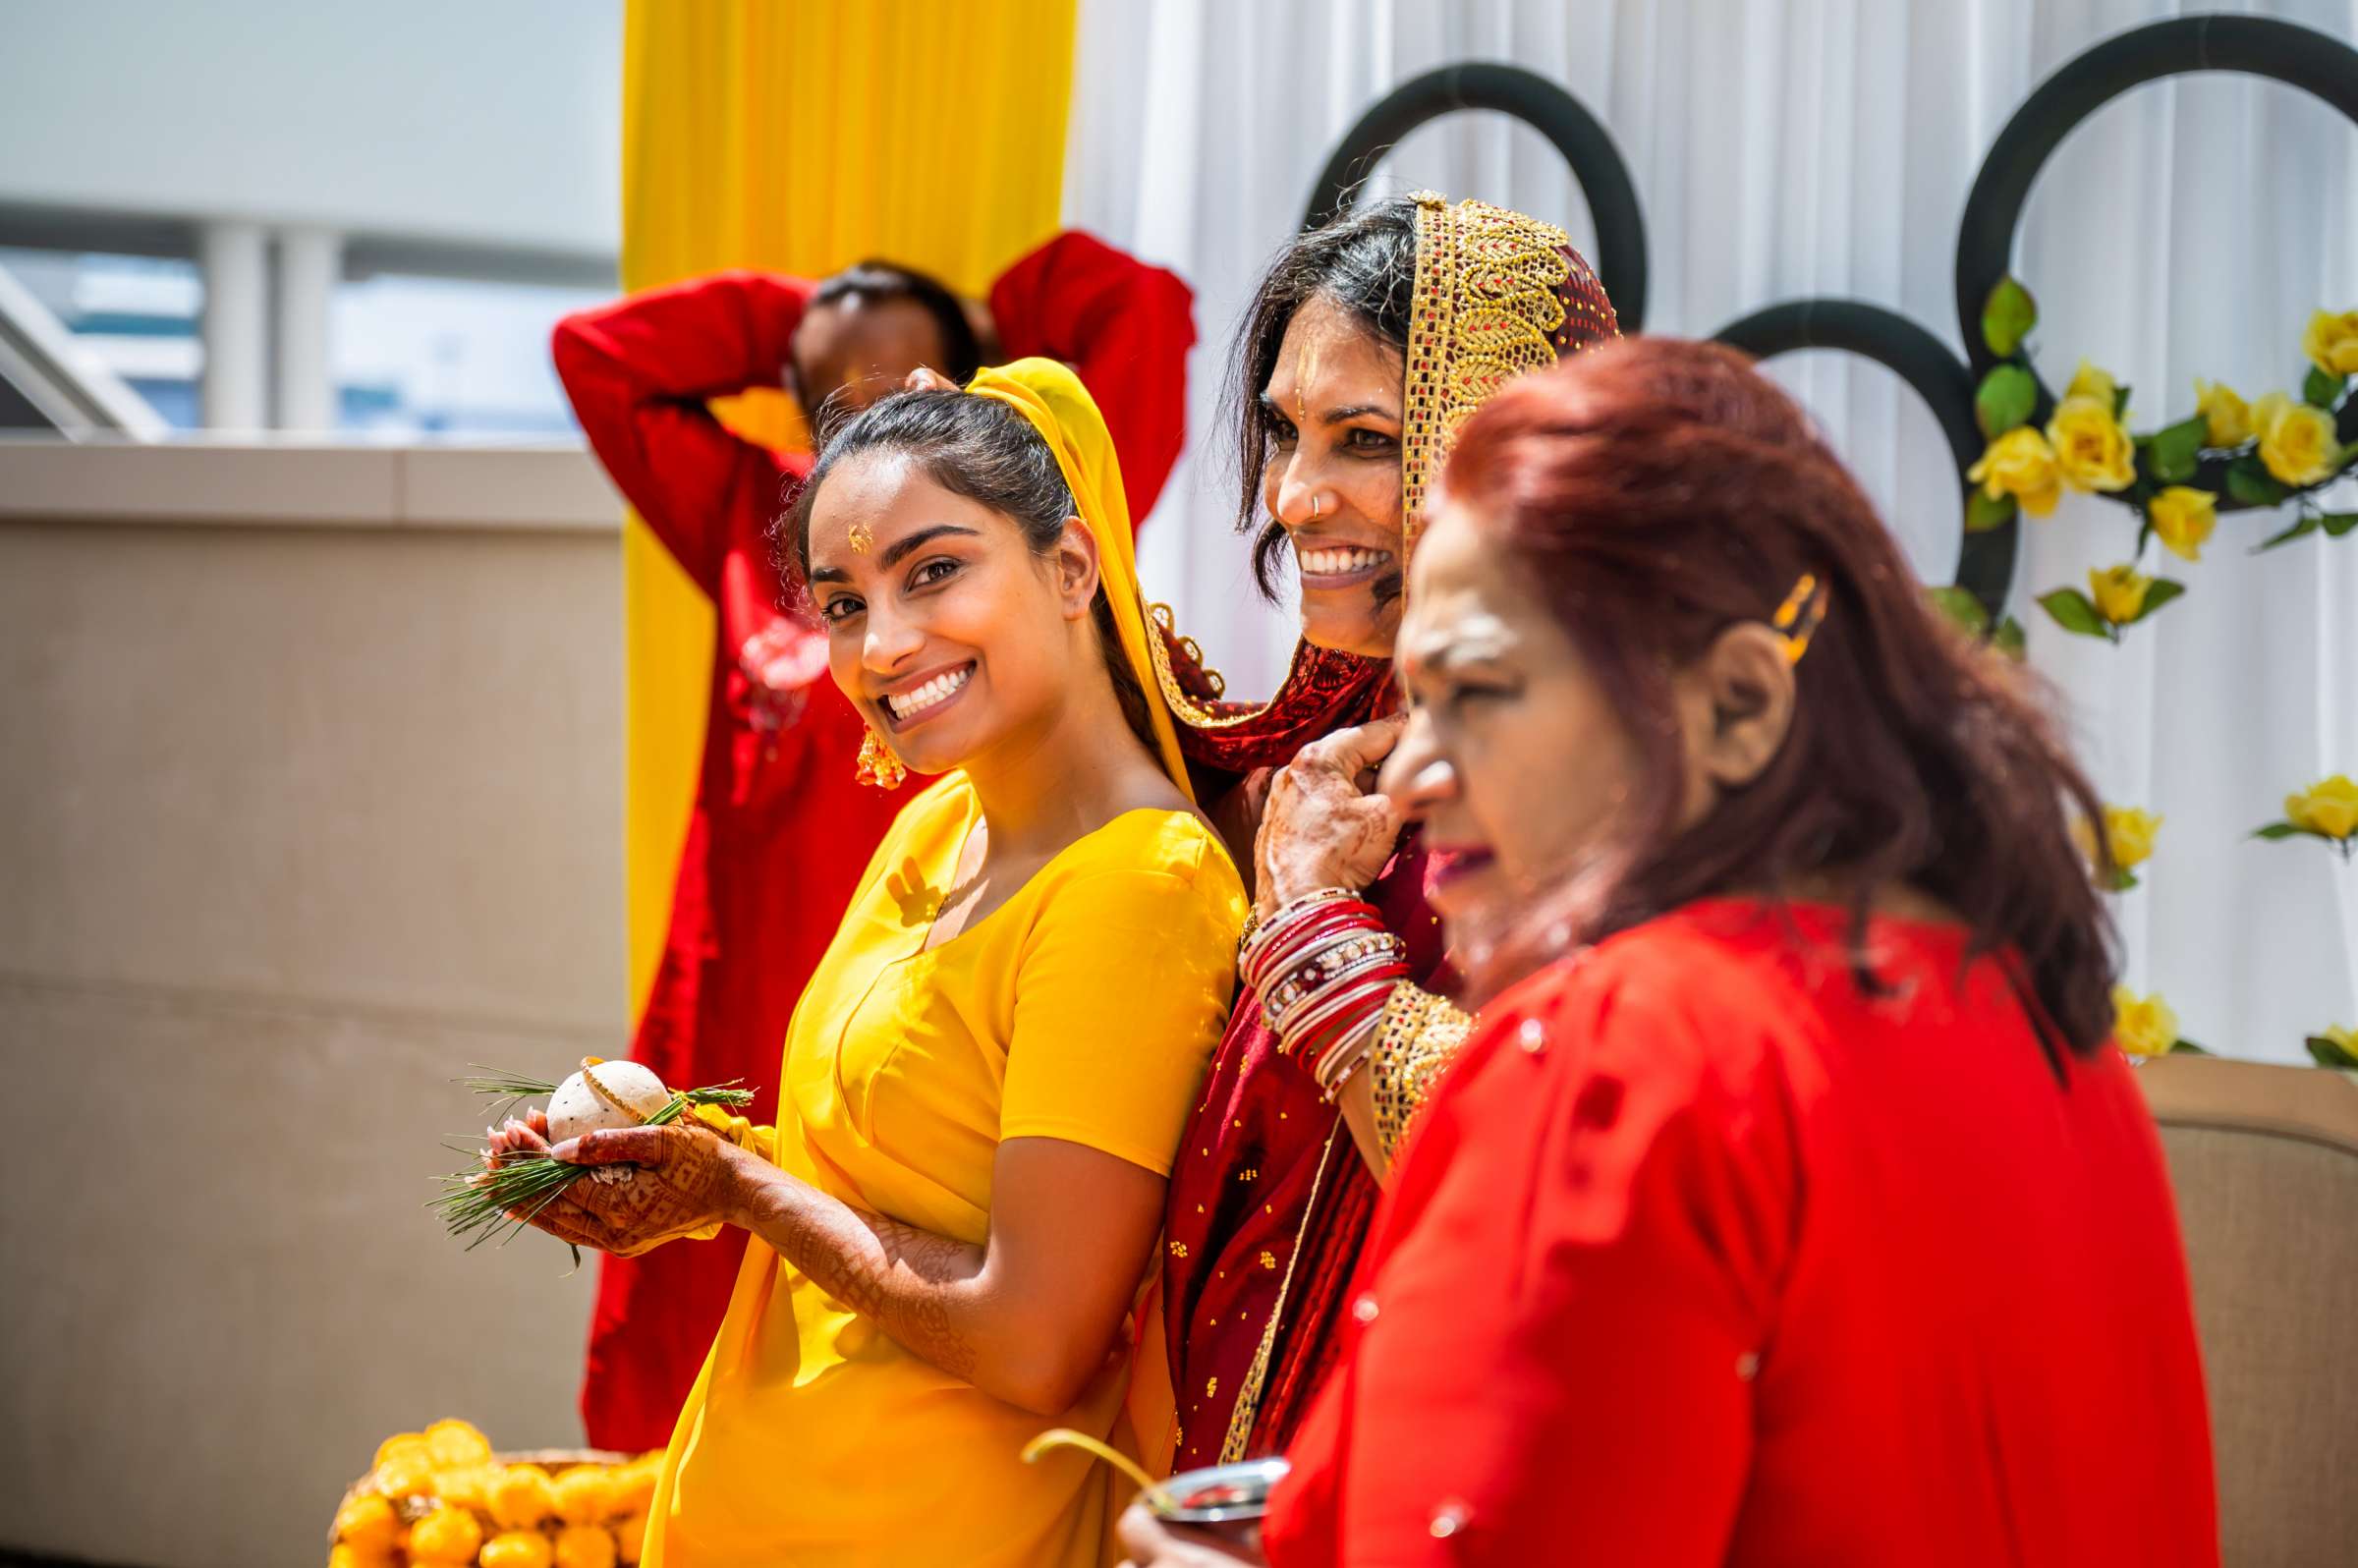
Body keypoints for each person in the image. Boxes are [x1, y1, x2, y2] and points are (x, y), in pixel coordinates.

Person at [1120, 338, 2217, 1566]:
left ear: (1740, 705)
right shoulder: (2040, 1021)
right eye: (1416, 701)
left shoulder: (1620, 1058)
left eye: (1480, 691)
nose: (1419, 772)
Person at [492, 361, 1244, 1566]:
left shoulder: (1136, 885)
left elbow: (1034, 1336)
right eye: (841, 603)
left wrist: (741, 1193)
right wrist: (680, 1175)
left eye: (933, 571)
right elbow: (879, 1180)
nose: (883, 643)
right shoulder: (943, 822)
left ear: (1071, 567)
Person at [1149, 192, 1619, 1472]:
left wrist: (1309, 926)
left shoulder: (1602, 763)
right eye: (1285, 434)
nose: (1294, 499)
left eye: (1363, 439)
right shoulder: (1354, 728)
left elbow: (1552, 1173)